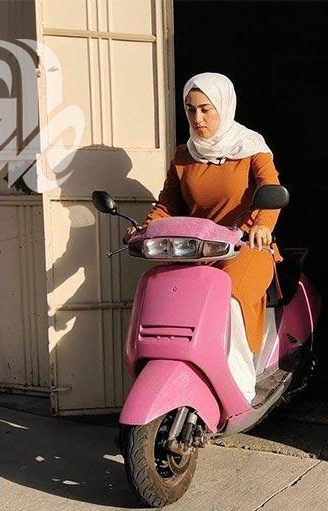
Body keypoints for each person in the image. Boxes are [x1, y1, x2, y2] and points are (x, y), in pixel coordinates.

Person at [126, 72, 282, 401]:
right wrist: (146, 228)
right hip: (199, 249)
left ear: (223, 107)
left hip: (245, 246)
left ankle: (240, 386)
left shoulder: (251, 148)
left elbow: (270, 188)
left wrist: (262, 224)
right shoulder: (184, 155)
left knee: (231, 298)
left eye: (205, 109)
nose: (197, 118)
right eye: (190, 109)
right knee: (168, 296)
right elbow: (167, 203)